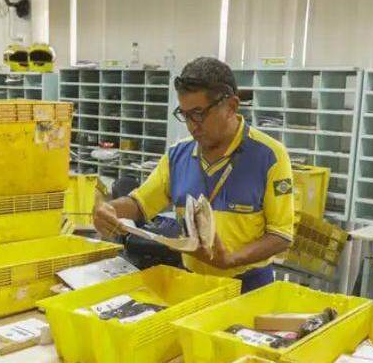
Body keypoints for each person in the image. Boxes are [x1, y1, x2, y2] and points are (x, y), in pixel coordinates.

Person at [92, 57, 295, 293]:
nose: (191, 125)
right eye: (185, 114)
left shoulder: (269, 156)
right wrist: (109, 210)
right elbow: (140, 203)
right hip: (193, 281)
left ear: (231, 106)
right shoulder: (178, 155)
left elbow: (281, 235)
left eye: (199, 113)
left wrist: (232, 260)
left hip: (249, 285)